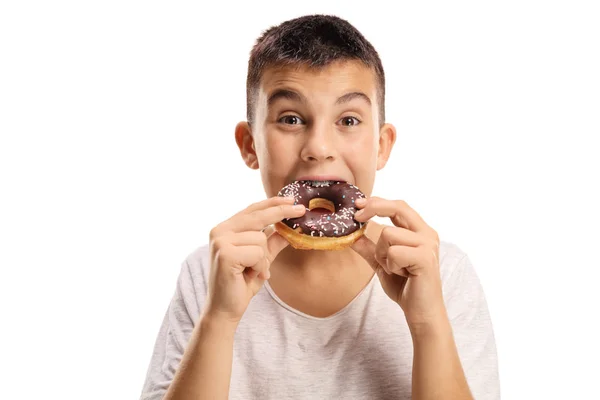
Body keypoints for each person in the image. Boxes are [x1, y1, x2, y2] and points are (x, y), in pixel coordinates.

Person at [139, 14, 500, 400]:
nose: (319, 148)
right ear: (250, 145)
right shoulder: (210, 272)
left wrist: (428, 323)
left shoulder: (439, 271)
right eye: (291, 119)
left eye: (348, 119)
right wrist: (220, 319)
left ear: (382, 145)